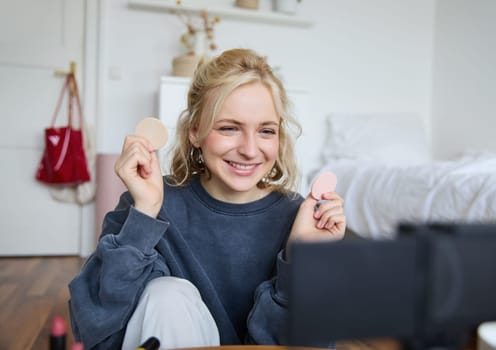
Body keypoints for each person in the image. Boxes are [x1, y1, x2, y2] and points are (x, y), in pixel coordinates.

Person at [68, 48, 346, 350]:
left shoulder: (300, 219)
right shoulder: (150, 202)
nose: (250, 150)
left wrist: (301, 259)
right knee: (166, 296)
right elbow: (95, 328)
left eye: (266, 131)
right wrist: (144, 215)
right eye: (229, 128)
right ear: (195, 132)